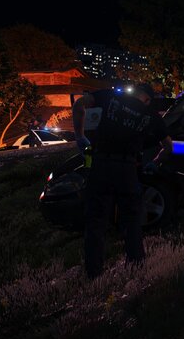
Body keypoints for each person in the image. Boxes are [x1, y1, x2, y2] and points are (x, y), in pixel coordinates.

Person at [72, 84, 173, 278]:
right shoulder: (152, 116)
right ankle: (136, 269)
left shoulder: (110, 97)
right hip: (127, 169)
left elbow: (79, 105)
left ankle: (94, 274)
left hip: (100, 165)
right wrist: (155, 162)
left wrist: (79, 136)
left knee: (95, 222)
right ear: (148, 99)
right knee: (132, 221)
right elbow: (169, 146)